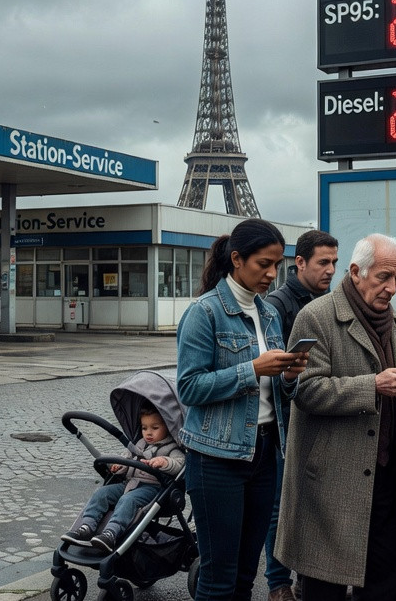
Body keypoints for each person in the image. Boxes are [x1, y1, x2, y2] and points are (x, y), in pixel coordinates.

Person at [276, 234, 396, 601]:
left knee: (384, 585)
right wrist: (372, 385)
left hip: (387, 477)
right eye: (384, 277)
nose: (392, 288)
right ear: (357, 271)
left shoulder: (394, 320)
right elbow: (304, 391)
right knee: (324, 588)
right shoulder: (316, 317)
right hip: (333, 481)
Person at [176, 218, 308, 601]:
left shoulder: (269, 314)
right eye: (263, 264)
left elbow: (276, 393)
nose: (272, 274)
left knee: (246, 576)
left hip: (264, 453)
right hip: (216, 458)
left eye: (277, 265)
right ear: (237, 259)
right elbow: (189, 387)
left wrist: (288, 376)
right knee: (218, 578)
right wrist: (252, 369)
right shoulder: (204, 312)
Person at [261, 229, 338, 601]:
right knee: (281, 506)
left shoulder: (330, 301)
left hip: (320, 417)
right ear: (300, 263)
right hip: (285, 423)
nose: (331, 270)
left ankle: (309, 577)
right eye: (323, 262)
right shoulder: (278, 305)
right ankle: (278, 583)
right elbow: (267, 372)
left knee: (316, 503)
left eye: (334, 262)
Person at [61, 405, 186, 551]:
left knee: (128, 500)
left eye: (155, 428)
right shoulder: (139, 444)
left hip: (152, 488)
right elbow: (126, 458)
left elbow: (179, 464)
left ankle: (111, 533)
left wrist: (164, 462)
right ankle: (87, 526)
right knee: (102, 493)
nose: (148, 432)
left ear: (168, 427)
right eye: (144, 428)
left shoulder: (172, 448)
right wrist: (119, 466)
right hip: (129, 483)